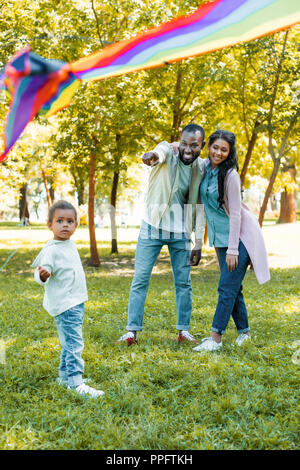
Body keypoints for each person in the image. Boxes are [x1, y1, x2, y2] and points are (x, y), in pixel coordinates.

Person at [116, 124, 206, 346]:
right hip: (152, 227)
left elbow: (200, 205)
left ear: (201, 146)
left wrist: (198, 242)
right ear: (179, 142)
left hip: (181, 233)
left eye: (194, 145)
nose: (187, 148)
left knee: (183, 283)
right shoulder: (168, 151)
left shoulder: (200, 168)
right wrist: (152, 155)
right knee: (140, 279)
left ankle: (183, 331)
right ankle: (131, 332)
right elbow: (159, 152)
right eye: (184, 143)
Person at [193, 130, 270, 352]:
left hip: (241, 238)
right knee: (233, 287)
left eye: (224, 149)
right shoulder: (205, 168)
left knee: (226, 287)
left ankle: (215, 338)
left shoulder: (230, 176)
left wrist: (234, 249)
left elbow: (235, 214)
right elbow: (181, 147)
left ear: (229, 152)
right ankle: (244, 333)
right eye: (215, 147)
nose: (218, 152)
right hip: (220, 239)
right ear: (209, 147)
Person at [32, 200, 105, 398]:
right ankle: (75, 382)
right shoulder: (52, 249)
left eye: (70, 221)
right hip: (67, 305)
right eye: (60, 221)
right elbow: (39, 272)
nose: (65, 225)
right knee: (74, 343)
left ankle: (65, 377)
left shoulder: (68, 244)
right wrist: (43, 275)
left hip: (74, 301)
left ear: (76, 225)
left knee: (68, 342)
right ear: (50, 225)